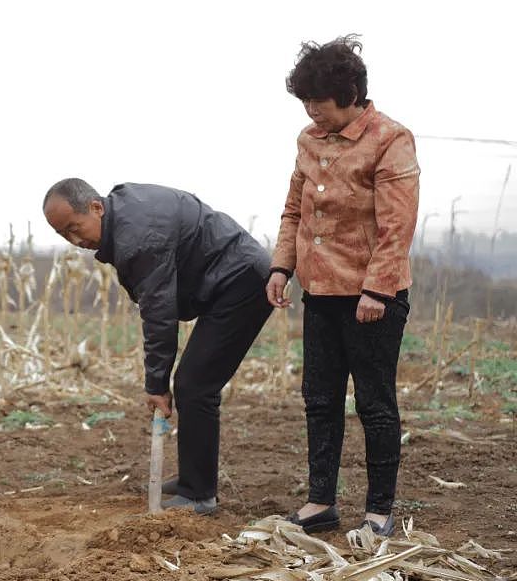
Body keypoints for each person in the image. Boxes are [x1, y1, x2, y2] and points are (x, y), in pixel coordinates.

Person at [43, 179, 272, 514]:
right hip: (225, 279)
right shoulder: (126, 214)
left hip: (242, 281)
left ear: (96, 207)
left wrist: (156, 385)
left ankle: (199, 494)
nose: (76, 241)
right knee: (193, 382)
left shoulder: (138, 237)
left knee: (195, 384)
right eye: (64, 235)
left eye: (75, 228)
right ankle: (193, 479)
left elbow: (159, 313)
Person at [267, 35, 419, 537]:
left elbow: (397, 226)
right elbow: (295, 209)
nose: (312, 112)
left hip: (373, 297)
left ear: (351, 93)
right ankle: (320, 503)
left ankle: (378, 512)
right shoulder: (308, 141)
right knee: (319, 398)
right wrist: (281, 268)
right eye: (305, 102)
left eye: (319, 101)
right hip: (321, 292)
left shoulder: (391, 140)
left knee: (374, 403)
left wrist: (377, 290)